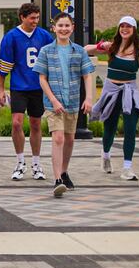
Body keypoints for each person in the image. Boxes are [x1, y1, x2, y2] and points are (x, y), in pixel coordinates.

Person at [34, 13, 94, 198]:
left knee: (69, 139)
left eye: (67, 25)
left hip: (73, 101)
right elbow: (42, 78)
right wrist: (53, 100)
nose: (63, 29)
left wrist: (89, 98)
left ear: (73, 27)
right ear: (54, 28)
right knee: (58, 138)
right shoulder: (46, 51)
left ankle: (64, 171)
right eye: (60, 25)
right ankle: (57, 179)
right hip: (54, 103)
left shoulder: (79, 51)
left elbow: (87, 76)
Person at [0, 2, 54, 181]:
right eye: (32, 18)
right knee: (16, 123)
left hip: (38, 87)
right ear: (22, 17)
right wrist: (0, 89)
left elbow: (53, 58)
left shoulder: (44, 36)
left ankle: (36, 163)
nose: (35, 21)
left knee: (36, 124)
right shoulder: (11, 37)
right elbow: (3, 65)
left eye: (37, 18)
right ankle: (20, 162)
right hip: (19, 86)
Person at [87, 16, 139, 181]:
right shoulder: (112, 47)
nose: (125, 29)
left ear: (134, 30)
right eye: (122, 26)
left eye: (128, 26)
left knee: (130, 129)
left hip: (129, 91)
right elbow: (85, 49)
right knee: (110, 127)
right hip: (111, 91)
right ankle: (105, 155)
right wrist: (100, 46)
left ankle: (127, 168)